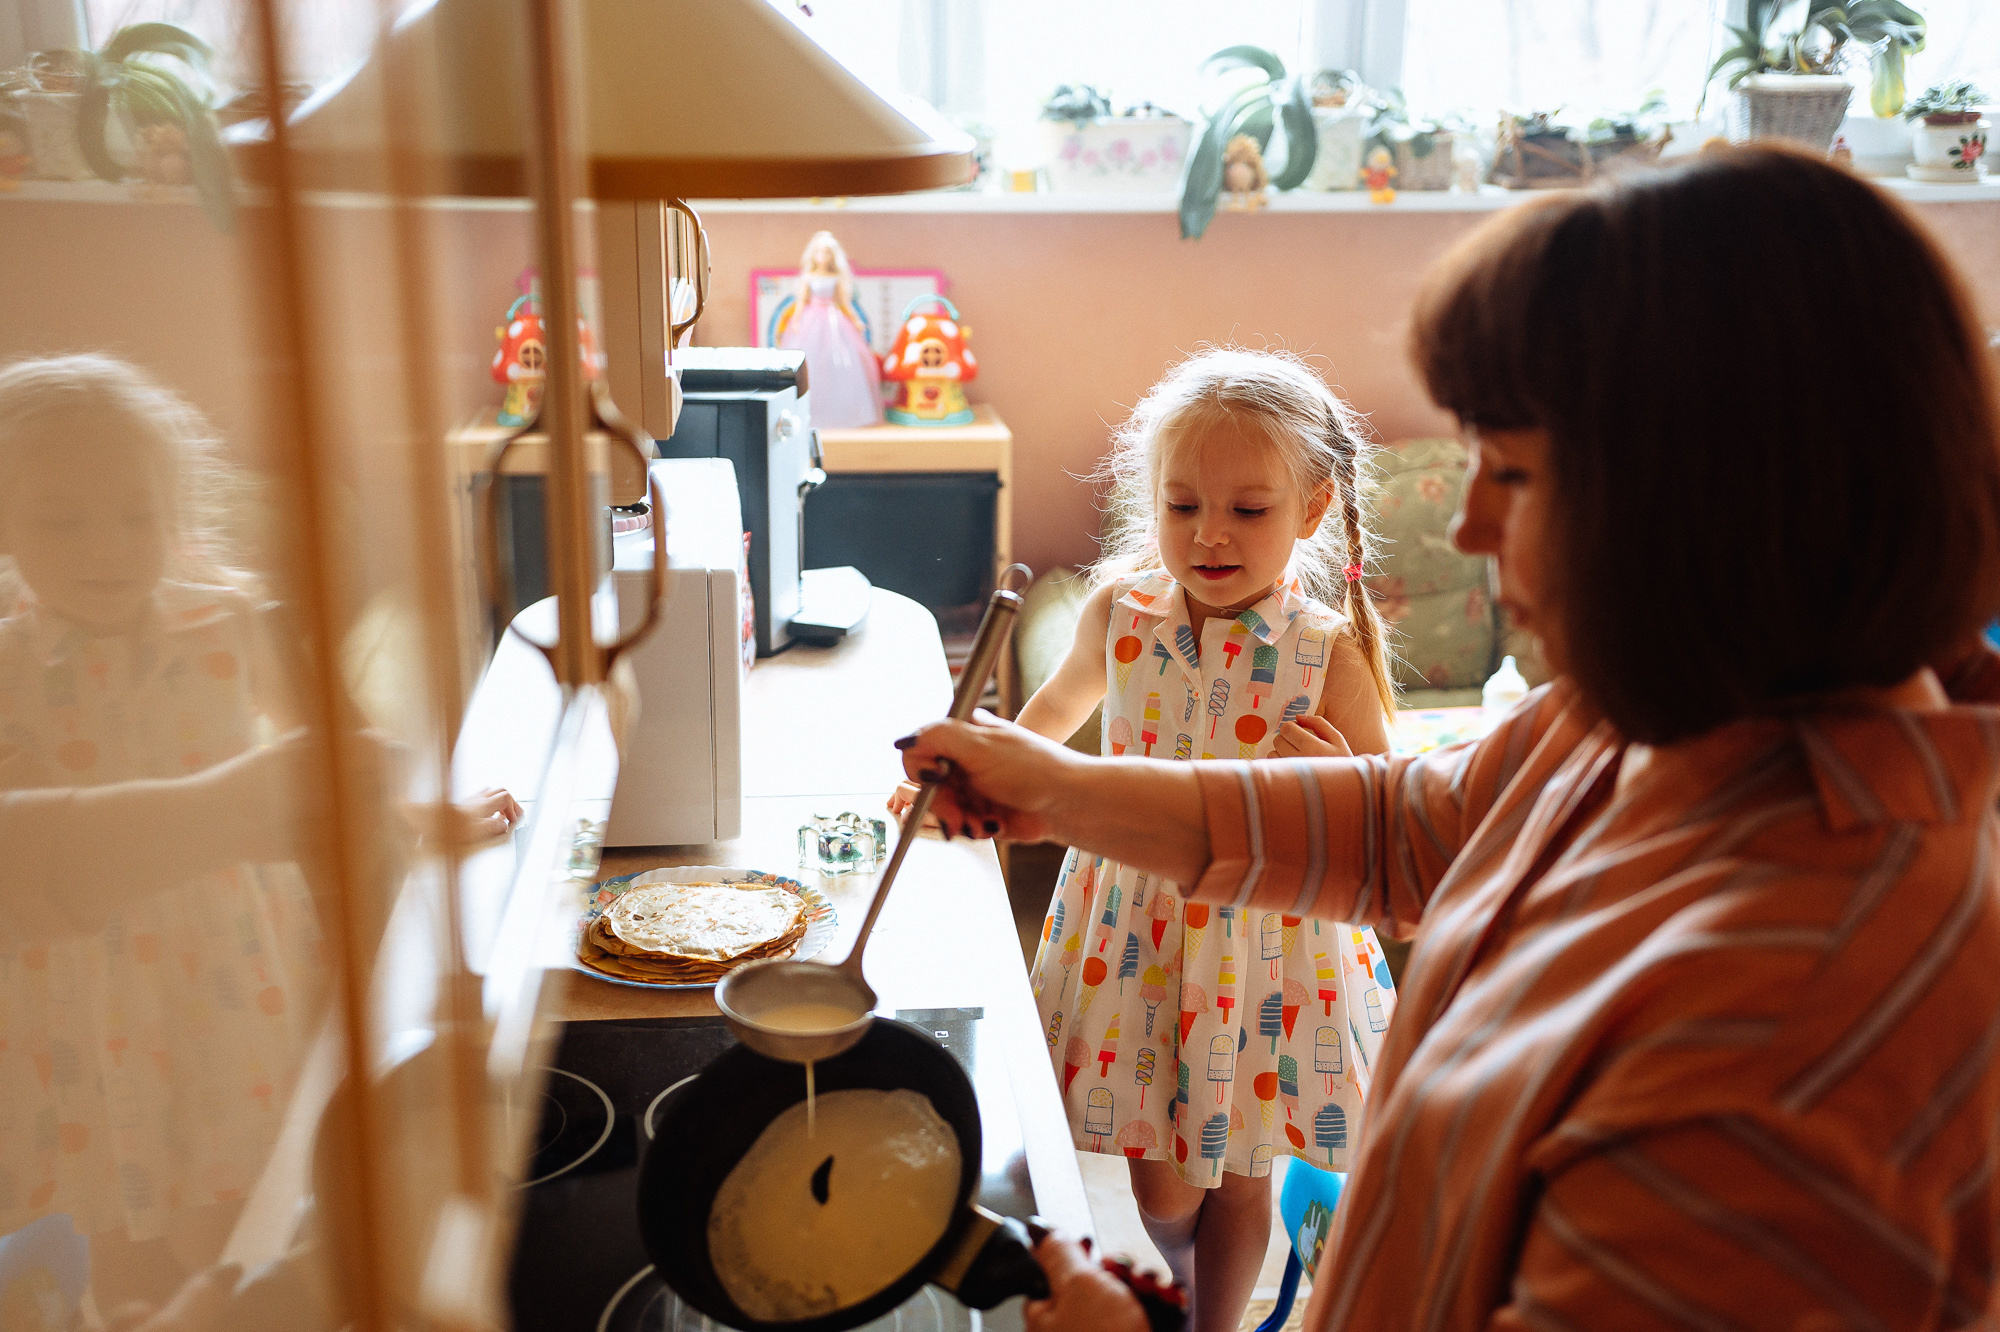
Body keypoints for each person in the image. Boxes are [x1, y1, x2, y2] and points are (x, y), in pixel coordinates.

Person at [902, 145, 2000, 1329]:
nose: (1467, 528)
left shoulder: (1804, 1013)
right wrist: (1055, 786)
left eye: (1511, 475)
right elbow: (1406, 824)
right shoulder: (1651, 713)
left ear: (1717, 504)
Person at [0, 355, 517, 1314]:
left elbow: (331, 763)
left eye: (138, 515)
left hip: (221, 974)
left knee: (238, 1206)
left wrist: (412, 818)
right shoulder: (10, 664)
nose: (106, 548)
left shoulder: (231, 625)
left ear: (177, 513)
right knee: (110, 1213)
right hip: (81, 994)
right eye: (60, 522)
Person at [920, 349, 1401, 1331]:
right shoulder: (1119, 614)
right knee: (1164, 1187)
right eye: (1182, 506)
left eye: (1248, 510)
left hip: (1267, 945)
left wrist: (1343, 777)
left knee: (1240, 1171)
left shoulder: (1327, 653)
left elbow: (1393, 822)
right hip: (1136, 934)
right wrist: (963, 771)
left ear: (1311, 510)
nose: (1209, 534)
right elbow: (1040, 736)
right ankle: (1181, 1280)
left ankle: (1207, 1324)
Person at [774, 230, 882, 430]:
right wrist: (796, 321)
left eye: (827, 254)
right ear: (813, 255)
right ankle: (809, 410)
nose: (823, 257)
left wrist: (855, 320)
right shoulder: (809, 277)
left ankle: (841, 412)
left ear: (833, 257)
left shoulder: (835, 277)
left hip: (834, 322)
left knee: (841, 362)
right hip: (811, 320)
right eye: (819, 253)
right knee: (811, 361)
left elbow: (844, 303)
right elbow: (801, 302)